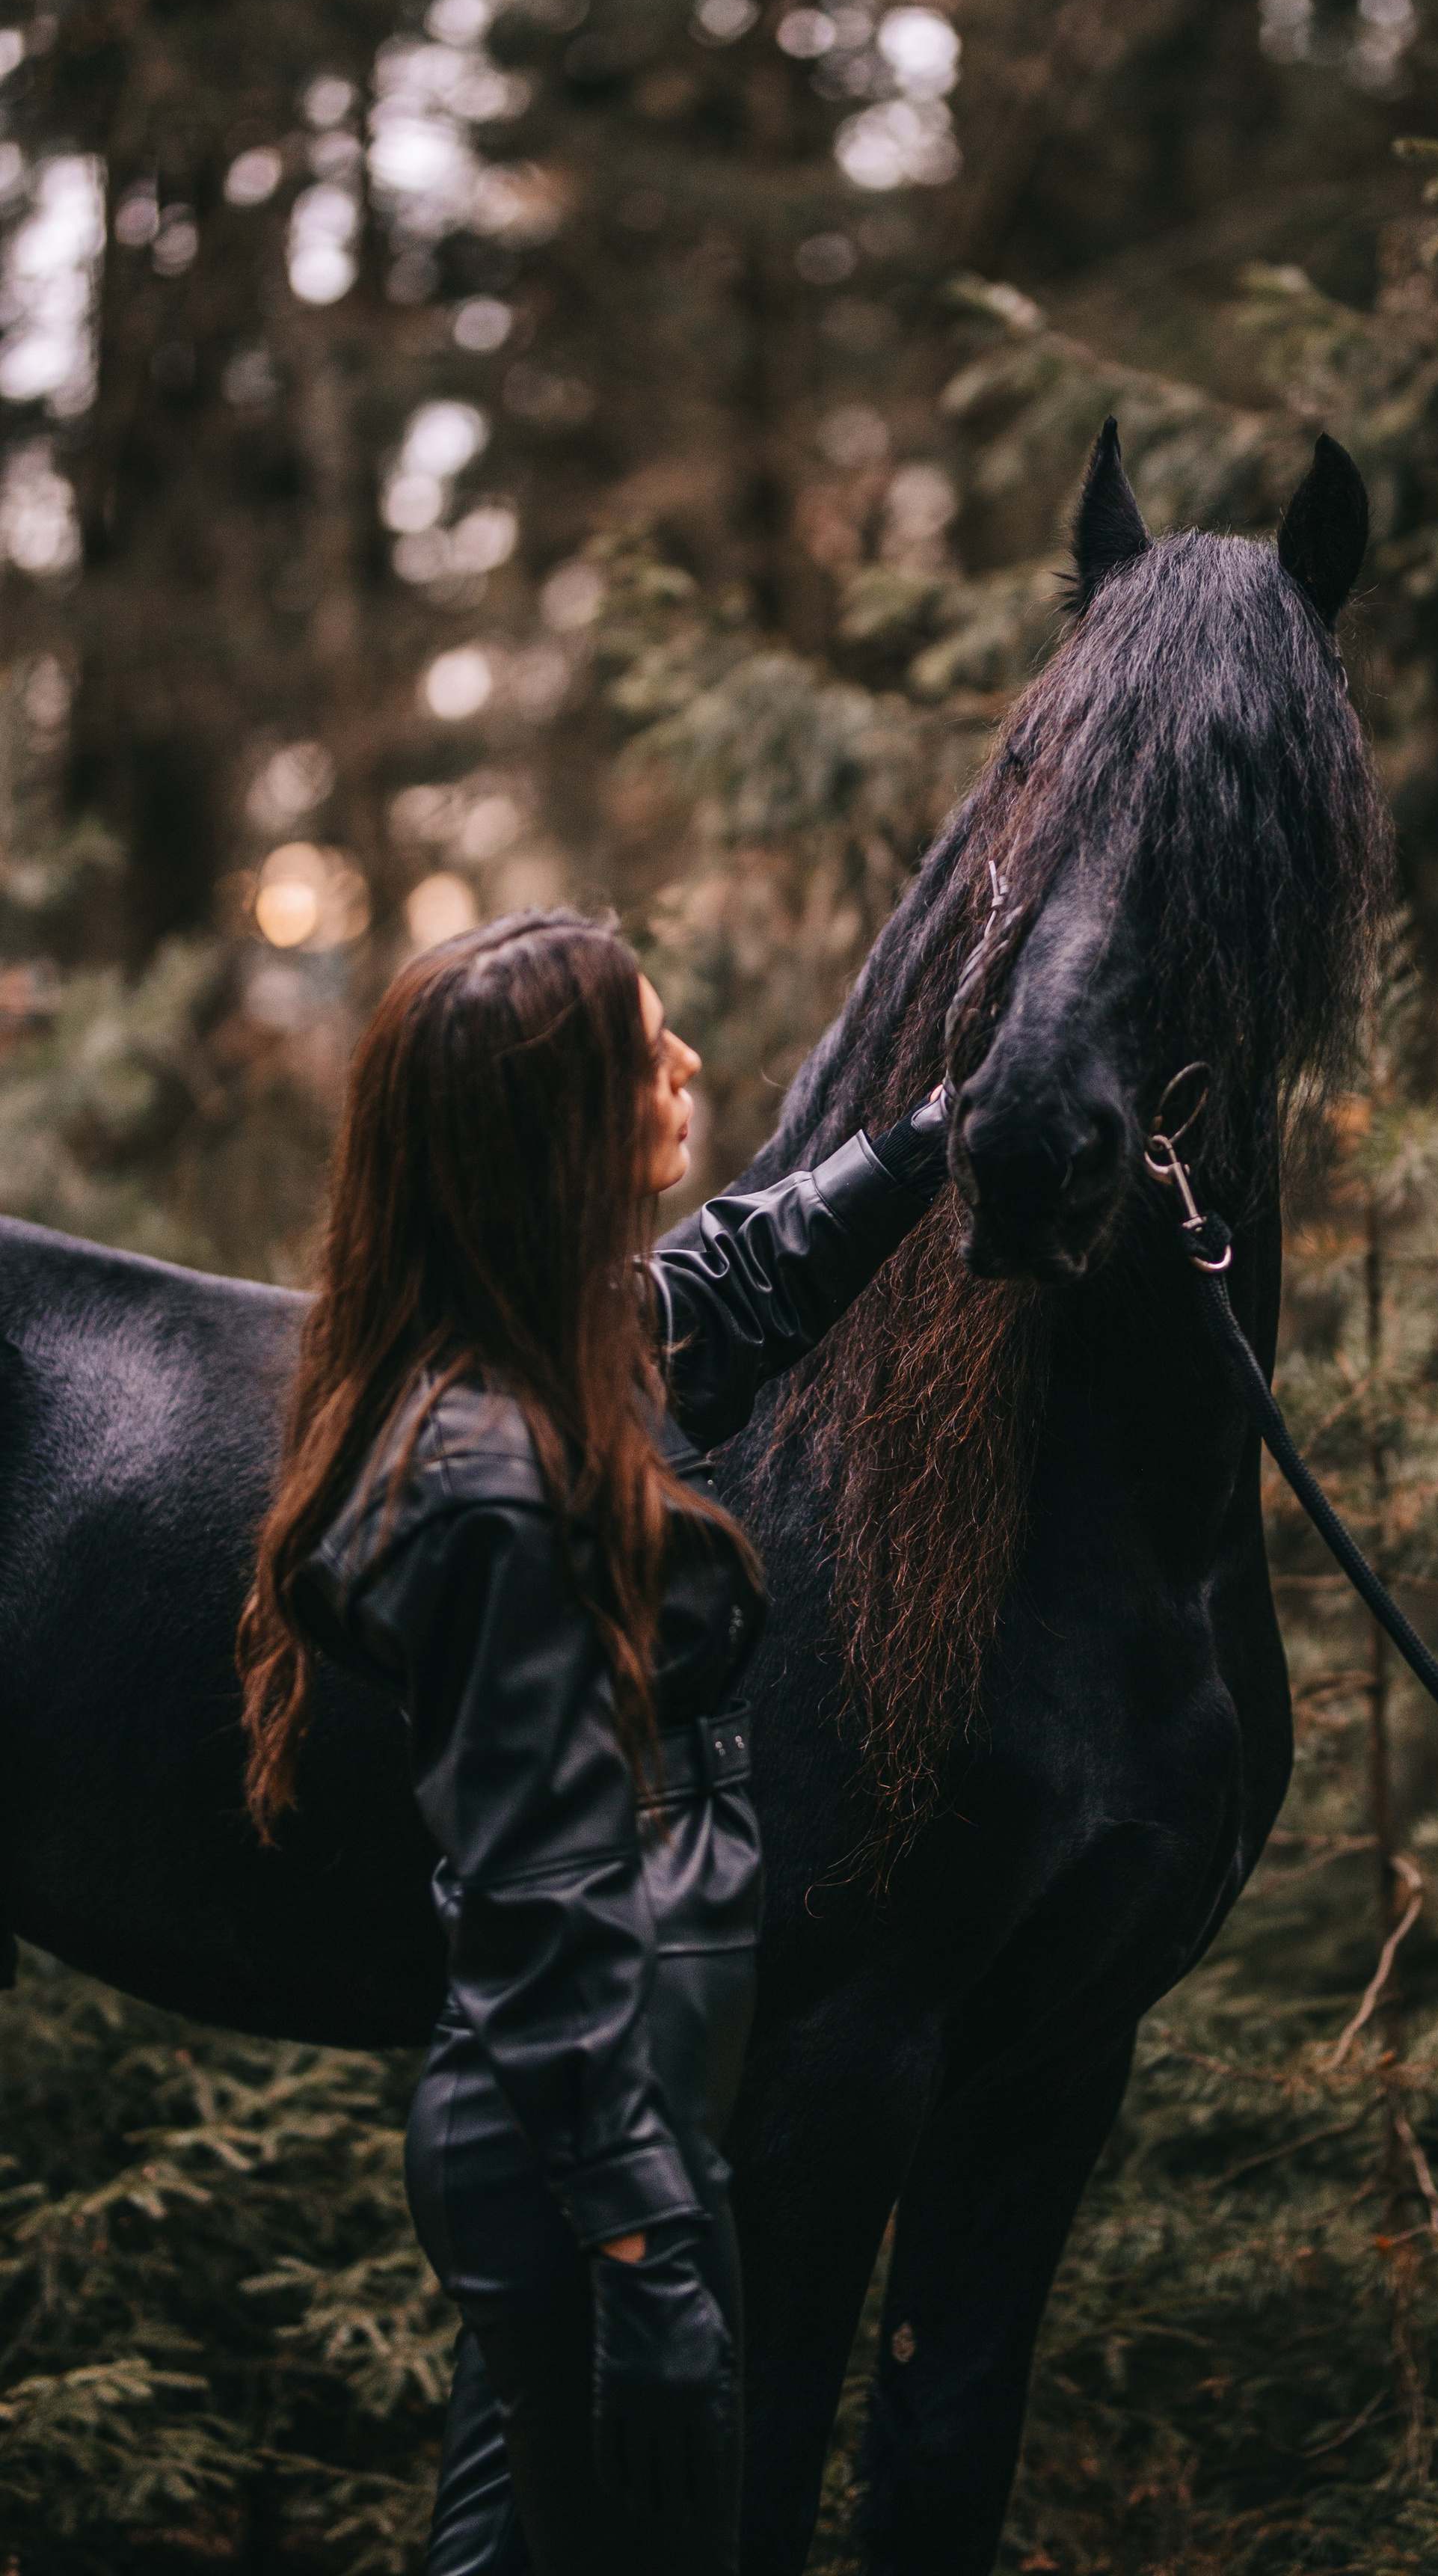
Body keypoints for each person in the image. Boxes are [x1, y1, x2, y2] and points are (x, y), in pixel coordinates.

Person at [234, 909, 948, 2576]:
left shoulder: (541, 1368)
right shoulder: (488, 1481)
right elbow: (544, 1912)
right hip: (589, 2163)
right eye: (646, 1048)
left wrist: (930, 1141)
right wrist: (647, 2252)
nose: (688, 1064)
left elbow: (736, 1280)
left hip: (589, 2145)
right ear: (558, 1125)